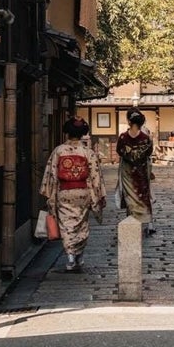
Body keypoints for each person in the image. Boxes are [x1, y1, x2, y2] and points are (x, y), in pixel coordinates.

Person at [40, 116, 104, 272]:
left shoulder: (59, 151)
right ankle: (79, 255)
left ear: (67, 133)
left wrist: (50, 193)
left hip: (64, 192)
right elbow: (95, 175)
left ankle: (70, 257)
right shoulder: (87, 152)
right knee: (82, 223)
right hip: (82, 192)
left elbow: (51, 173)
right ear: (82, 134)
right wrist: (99, 195)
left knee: (66, 224)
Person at [116, 109, 156, 235]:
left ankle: (132, 219)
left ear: (129, 121)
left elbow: (119, 151)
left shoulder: (123, 137)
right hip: (141, 170)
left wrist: (129, 155)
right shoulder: (146, 138)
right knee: (143, 195)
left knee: (129, 196)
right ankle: (147, 220)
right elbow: (149, 153)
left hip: (128, 171)